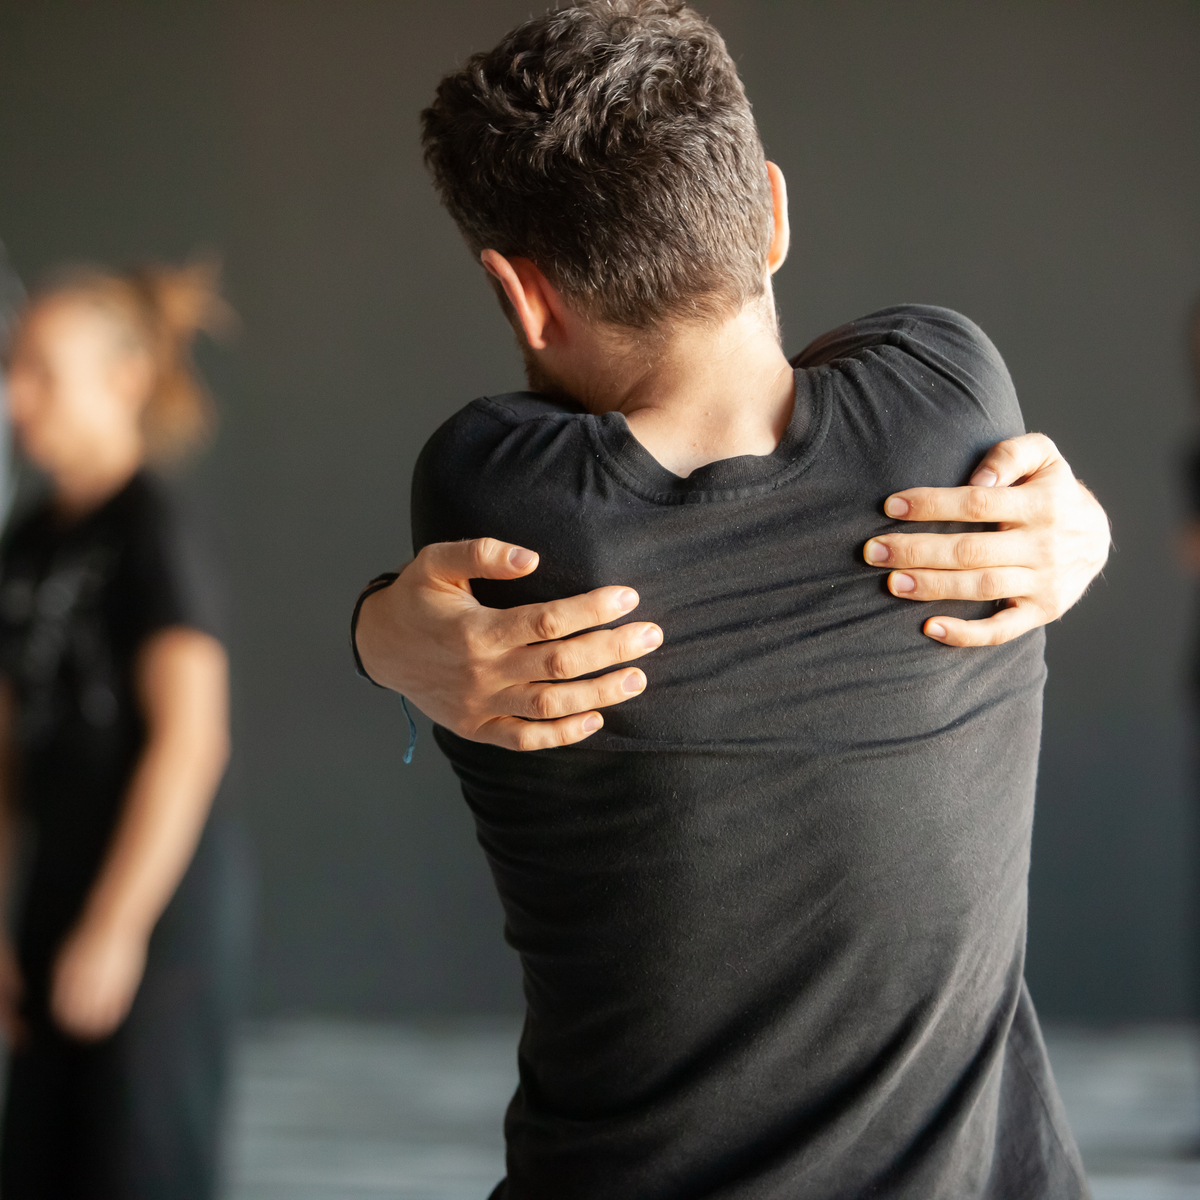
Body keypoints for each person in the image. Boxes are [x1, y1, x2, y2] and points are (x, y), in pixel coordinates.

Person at [354, 5, 1111, 1198]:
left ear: (521, 292)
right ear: (773, 208)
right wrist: (1093, 526)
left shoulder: (500, 496)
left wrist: (372, 627)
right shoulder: (950, 396)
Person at [0, 261, 246, 1198]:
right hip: (52, 897)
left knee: (136, 1165)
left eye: (42, 373)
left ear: (125, 378)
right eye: (13, 370)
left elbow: (192, 741)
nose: (16, 399)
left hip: (154, 909)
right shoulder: (25, 543)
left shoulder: (152, 531)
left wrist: (115, 927)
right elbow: (6, 755)